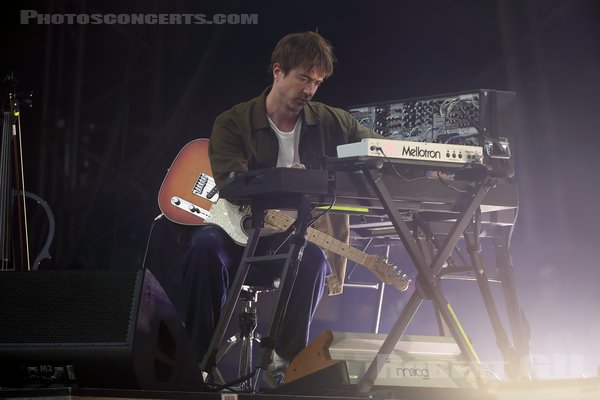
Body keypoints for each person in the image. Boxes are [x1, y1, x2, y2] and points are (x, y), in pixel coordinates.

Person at [180, 31, 380, 385]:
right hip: (237, 235)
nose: (309, 89)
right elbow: (230, 182)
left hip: (288, 237)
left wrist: (422, 160)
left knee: (314, 259)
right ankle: (199, 361)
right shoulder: (234, 121)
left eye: (317, 82)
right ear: (278, 72)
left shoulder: (332, 122)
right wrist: (285, 181)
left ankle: (285, 361)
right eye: (303, 78)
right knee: (203, 246)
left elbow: (375, 146)